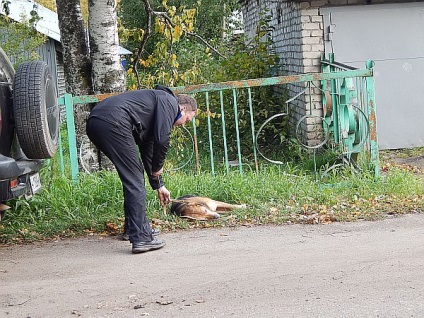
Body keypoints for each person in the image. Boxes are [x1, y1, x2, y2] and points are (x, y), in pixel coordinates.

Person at [86, 85, 197, 254]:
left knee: (133, 176)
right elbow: (162, 139)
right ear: (182, 109)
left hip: (98, 122)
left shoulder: (154, 110)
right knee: (135, 179)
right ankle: (142, 238)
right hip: (113, 121)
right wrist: (159, 166)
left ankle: (133, 229)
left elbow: (149, 150)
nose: (183, 125)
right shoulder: (169, 102)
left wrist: (159, 184)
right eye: (187, 120)